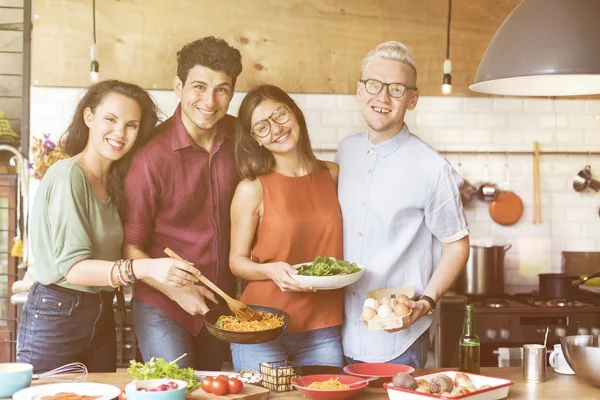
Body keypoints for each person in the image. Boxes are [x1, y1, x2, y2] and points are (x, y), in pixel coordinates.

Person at [16, 80, 200, 373]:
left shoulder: (115, 183)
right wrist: (147, 268)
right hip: (57, 314)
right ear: (89, 117)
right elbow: (74, 269)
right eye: (110, 120)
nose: (120, 133)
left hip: (101, 312)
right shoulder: (68, 175)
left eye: (131, 125)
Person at [336, 41, 470, 367]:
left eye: (396, 89)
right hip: (337, 334)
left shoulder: (431, 167)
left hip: (399, 339)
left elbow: (457, 245)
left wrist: (428, 300)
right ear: (359, 90)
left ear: (413, 99)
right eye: (374, 85)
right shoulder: (345, 151)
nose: (382, 98)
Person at [122, 37, 242, 370]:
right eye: (199, 87)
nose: (210, 100)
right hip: (164, 305)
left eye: (222, 90)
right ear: (179, 86)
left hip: (222, 305)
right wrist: (177, 292)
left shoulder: (240, 139)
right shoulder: (149, 158)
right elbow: (129, 249)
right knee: (173, 391)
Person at [228, 84, 344, 371]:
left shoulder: (333, 174)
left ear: (295, 112)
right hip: (262, 327)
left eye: (279, 115)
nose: (276, 129)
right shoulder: (252, 188)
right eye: (262, 127)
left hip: (323, 327)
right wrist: (269, 270)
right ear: (255, 139)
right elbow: (236, 262)